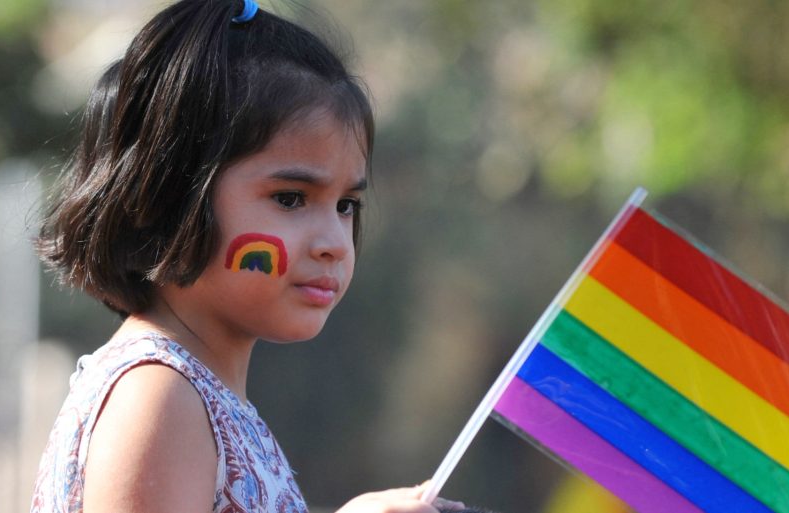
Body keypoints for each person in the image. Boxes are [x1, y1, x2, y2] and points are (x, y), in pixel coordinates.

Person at [30, 1, 465, 511]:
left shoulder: (198, 395)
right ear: (170, 195)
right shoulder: (157, 397)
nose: (333, 241)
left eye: (347, 205)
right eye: (290, 198)